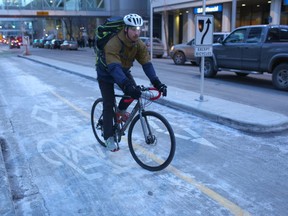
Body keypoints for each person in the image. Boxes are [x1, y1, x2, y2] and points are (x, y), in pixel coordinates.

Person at [96, 13, 167, 152]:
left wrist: (157, 82)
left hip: (123, 70)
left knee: (133, 93)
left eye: (138, 29)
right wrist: (126, 86)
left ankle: (120, 111)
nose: (137, 32)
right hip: (106, 72)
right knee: (109, 103)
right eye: (133, 29)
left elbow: (146, 63)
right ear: (126, 29)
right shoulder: (114, 43)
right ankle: (108, 137)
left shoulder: (138, 44)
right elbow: (114, 68)